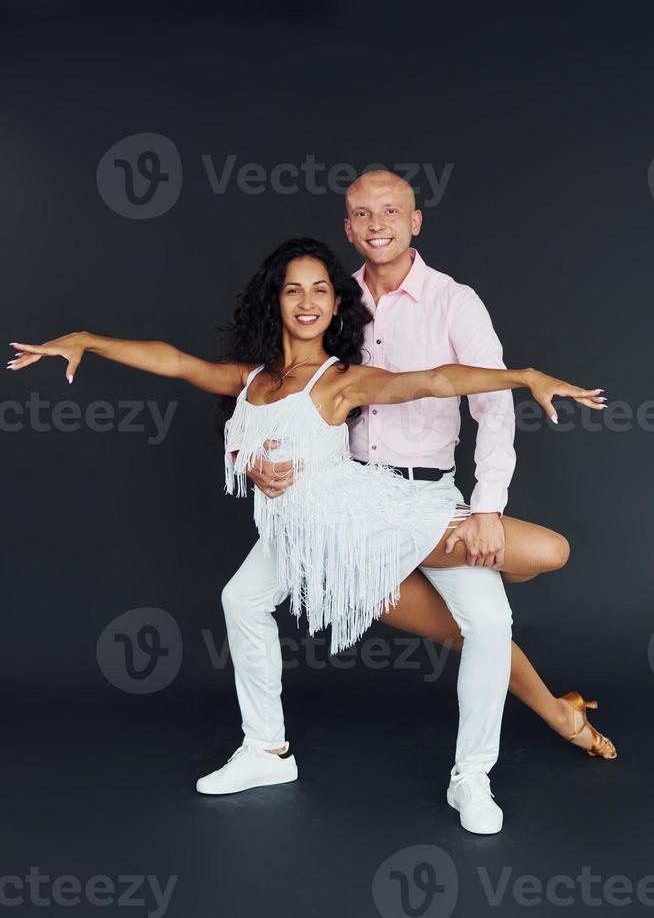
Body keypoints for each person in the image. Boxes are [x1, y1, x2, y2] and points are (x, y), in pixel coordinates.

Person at [6, 230, 613, 836]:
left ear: (335, 303)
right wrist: (86, 340)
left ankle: (475, 770)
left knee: (544, 553)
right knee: (241, 599)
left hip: (364, 520)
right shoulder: (251, 379)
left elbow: (436, 380)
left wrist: (524, 375)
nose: (307, 299)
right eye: (294, 288)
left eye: (321, 289)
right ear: (276, 299)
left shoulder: (342, 378)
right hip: (300, 538)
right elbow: (176, 361)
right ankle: (267, 752)